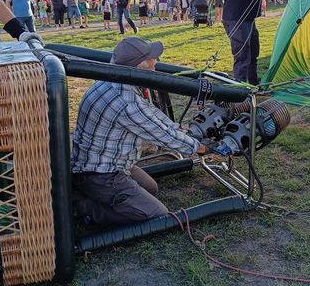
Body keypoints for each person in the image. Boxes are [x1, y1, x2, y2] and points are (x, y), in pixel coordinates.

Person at [70, 36, 208, 225]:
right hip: (100, 174)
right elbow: (162, 135)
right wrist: (201, 148)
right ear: (141, 66)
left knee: (151, 188)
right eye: (153, 58)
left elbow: (151, 116)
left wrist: (180, 129)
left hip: (98, 163)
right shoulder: (125, 101)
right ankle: (81, 207)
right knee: (156, 214)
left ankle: (87, 192)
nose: (157, 61)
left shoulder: (111, 79)